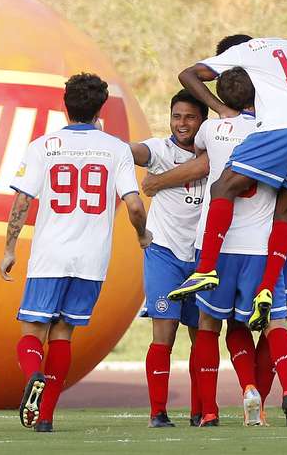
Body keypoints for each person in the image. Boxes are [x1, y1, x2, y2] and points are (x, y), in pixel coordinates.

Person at [0, 73, 152, 433]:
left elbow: (23, 200)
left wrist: (9, 248)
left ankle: (33, 374)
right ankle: (46, 417)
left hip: (50, 256)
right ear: (101, 107)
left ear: (64, 103)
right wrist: (142, 235)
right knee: (64, 334)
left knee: (32, 331)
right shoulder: (116, 148)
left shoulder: (43, 146)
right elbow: (133, 205)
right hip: (91, 261)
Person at [170, 35, 287, 342]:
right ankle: (266, 290)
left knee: (223, 187)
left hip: (235, 243)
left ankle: (205, 269)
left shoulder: (246, 54)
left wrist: (221, 109)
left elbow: (188, 74)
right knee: (284, 212)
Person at [128, 89, 208, 427]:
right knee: (164, 333)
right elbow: (136, 151)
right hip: (164, 253)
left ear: (203, 121)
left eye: (190, 117)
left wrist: (157, 183)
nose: (182, 124)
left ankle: (200, 411)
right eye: (177, 116)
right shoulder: (161, 150)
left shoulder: (217, 151)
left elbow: (202, 166)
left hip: (204, 256)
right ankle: (158, 413)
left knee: (201, 334)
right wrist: (107, 142)